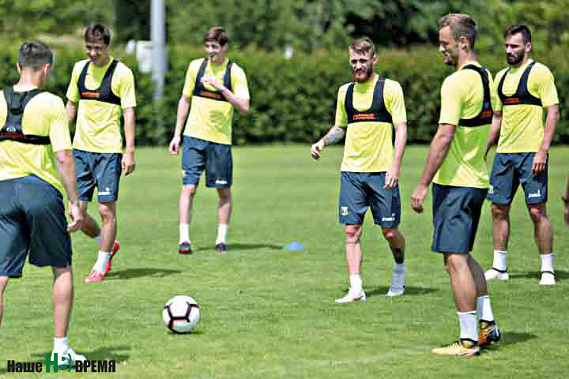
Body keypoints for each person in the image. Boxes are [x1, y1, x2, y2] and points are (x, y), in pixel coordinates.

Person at [411, 14, 500, 356]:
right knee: (461, 255)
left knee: (455, 260)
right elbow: (495, 120)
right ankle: (487, 325)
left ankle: (467, 340)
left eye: (445, 43)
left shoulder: (456, 83)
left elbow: (444, 135)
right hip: (475, 179)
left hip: (456, 184)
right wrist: (479, 154)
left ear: (463, 42)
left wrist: (422, 183)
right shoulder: (486, 76)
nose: (440, 49)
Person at [0, 41, 86, 366]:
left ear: (19, 65)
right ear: (46, 69)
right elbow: (64, 156)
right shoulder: (52, 103)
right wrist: (75, 203)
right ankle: (60, 350)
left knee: (0, 275)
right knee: (61, 267)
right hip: (40, 193)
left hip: (3, 192)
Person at [311, 37, 408, 302]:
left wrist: (395, 166)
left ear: (374, 60)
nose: (358, 66)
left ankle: (399, 268)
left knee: (389, 232)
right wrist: (323, 141)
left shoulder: (390, 89)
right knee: (351, 231)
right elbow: (340, 127)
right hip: (351, 172)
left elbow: (401, 128)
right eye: (353, 61)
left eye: (363, 60)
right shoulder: (345, 92)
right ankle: (356, 289)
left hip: (382, 173)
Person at [484, 25, 560, 285]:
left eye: (514, 46)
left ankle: (547, 269)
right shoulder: (500, 77)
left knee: (537, 211)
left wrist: (543, 149)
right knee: (497, 209)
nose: (509, 50)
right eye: (506, 45)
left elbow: (553, 112)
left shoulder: (540, 73)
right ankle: (499, 267)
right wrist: (484, 149)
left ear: (527, 47)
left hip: (531, 154)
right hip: (504, 154)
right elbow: (496, 117)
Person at [169, 26, 250, 254]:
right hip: (193, 138)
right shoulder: (196, 67)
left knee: (223, 192)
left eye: (215, 47)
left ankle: (221, 240)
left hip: (220, 142)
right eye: (207, 46)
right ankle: (184, 240)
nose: (210, 51)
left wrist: (221, 88)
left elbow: (244, 106)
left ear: (224, 47)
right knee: (189, 188)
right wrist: (177, 134)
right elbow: (184, 100)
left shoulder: (235, 72)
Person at [66, 24, 137, 282]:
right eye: (89, 47)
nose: (93, 53)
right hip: (81, 150)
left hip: (108, 152)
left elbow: (129, 113)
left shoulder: (122, 73)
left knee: (106, 211)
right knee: (77, 213)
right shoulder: (79, 69)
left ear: (108, 46)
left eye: (98, 48)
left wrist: (129, 151)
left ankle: (101, 263)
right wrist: (61, 137)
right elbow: (71, 105)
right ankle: (107, 243)